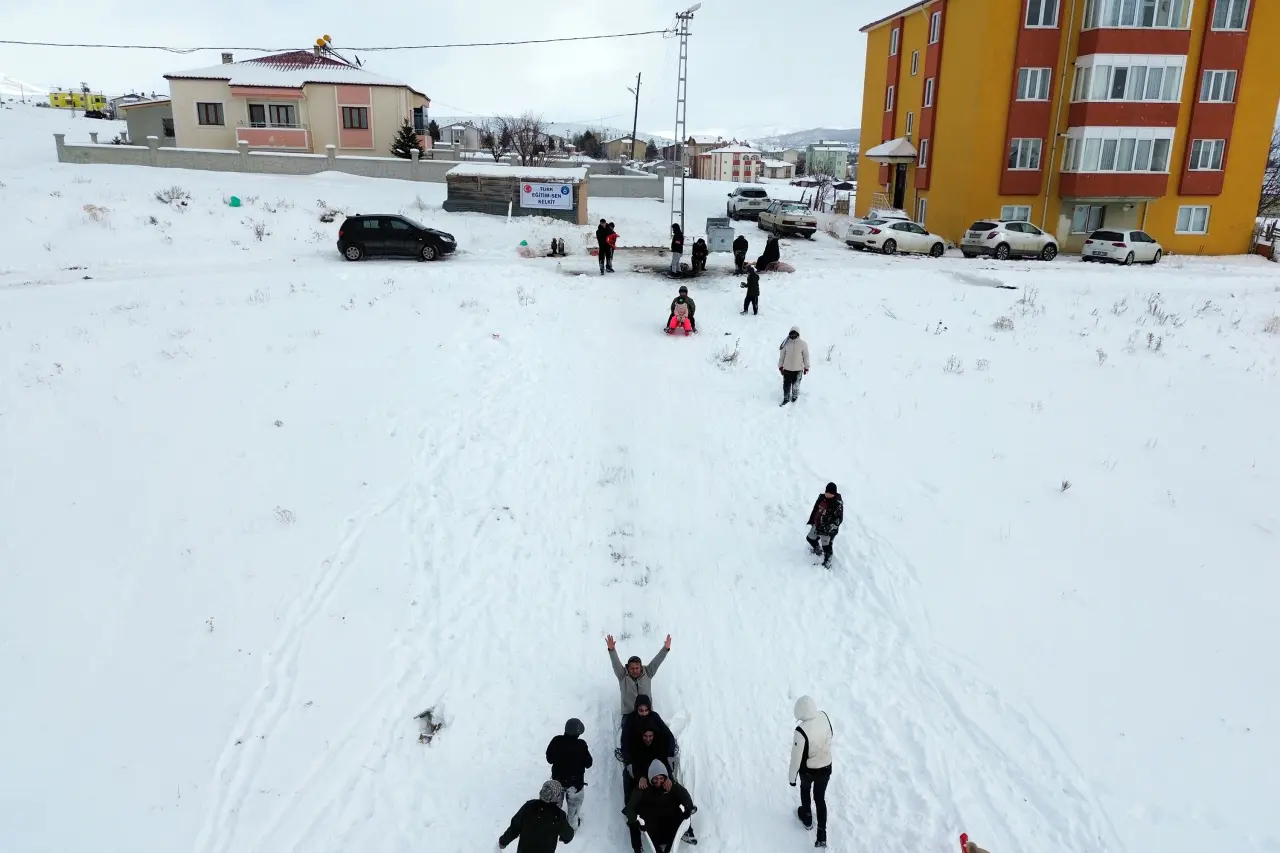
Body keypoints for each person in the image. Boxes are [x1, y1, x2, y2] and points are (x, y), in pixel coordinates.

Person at [788, 695, 834, 849]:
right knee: (820, 799)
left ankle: (807, 817)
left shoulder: (800, 731)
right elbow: (830, 735)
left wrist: (792, 778)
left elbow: (796, 758)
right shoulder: (824, 716)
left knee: (805, 789)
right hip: (826, 766)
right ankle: (822, 835)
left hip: (809, 770)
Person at [624, 760, 698, 853]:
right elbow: (630, 808)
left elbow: (684, 795)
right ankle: (640, 848)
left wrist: (688, 807)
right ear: (650, 777)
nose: (658, 781)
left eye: (661, 778)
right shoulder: (643, 788)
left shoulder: (670, 785)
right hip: (653, 830)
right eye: (655, 778)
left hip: (670, 827)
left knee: (684, 812)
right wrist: (635, 820)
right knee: (635, 820)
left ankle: (685, 833)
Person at [498, 780, 576, 853]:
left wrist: (503, 842)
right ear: (556, 796)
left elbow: (514, 827)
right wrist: (563, 838)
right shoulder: (558, 815)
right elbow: (568, 835)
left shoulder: (529, 806)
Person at [607, 633, 671, 715]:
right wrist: (612, 650)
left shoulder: (648, 672)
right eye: (632, 668)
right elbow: (615, 663)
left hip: (647, 712)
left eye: (637, 668)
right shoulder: (622, 675)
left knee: (657, 725)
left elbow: (656, 662)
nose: (635, 670)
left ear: (640, 667)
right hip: (629, 714)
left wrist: (665, 649)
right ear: (628, 668)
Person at [546, 718, 593, 828]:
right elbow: (589, 763)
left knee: (554, 808)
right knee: (573, 810)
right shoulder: (581, 745)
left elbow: (549, 759)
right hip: (575, 785)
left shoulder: (556, 741)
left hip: (557, 783)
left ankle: (553, 826)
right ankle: (571, 827)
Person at [805, 483, 843, 568]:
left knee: (827, 547)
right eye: (827, 492)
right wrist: (813, 520)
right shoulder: (822, 497)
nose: (828, 495)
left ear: (834, 494)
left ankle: (827, 563)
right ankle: (817, 549)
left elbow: (838, 520)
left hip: (827, 531)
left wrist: (828, 528)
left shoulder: (837, 504)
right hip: (817, 525)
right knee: (810, 538)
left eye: (831, 493)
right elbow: (816, 509)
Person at [778, 326, 810, 406]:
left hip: (798, 370)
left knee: (796, 385)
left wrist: (806, 367)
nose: (793, 335)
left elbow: (806, 356)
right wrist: (780, 366)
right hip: (787, 370)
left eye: (795, 334)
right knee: (786, 386)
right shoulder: (785, 343)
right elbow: (782, 357)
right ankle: (786, 398)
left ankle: (795, 398)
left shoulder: (803, 344)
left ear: (798, 334)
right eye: (791, 334)